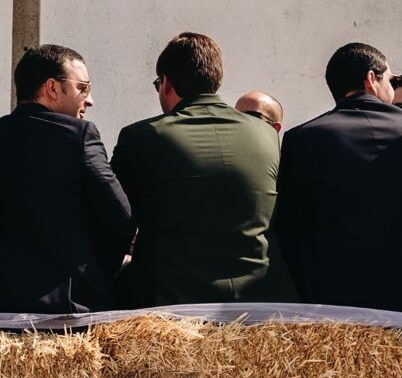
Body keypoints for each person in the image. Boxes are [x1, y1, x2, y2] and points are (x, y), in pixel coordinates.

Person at [112, 33, 294, 304]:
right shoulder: (267, 135)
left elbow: (116, 217)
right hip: (259, 297)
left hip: (171, 297)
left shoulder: (140, 136)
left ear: (165, 83)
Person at [0, 45, 134, 313]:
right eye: (83, 88)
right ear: (52, 88)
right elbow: (119, 216)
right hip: (69, 305)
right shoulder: (79, 136)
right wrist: (100, 267)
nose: (89, 100)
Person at [277, 44, 402, 311]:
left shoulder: (302, 138)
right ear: (371, 79)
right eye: (392, 79)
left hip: (331, 296)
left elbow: (290, 224)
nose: (394, 85)